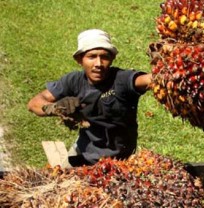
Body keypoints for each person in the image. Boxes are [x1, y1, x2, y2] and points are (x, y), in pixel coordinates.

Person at [27, 29, 152, 167]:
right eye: (92, 56)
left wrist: (164, 68)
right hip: (83, 154)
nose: (98, 63)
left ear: (111, 59)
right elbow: (33, 103)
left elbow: (147, 80)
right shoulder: (74, 81)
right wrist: (54, 108)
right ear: (79, 59)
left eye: (104, 57)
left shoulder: (121, 79)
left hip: (120, 162)